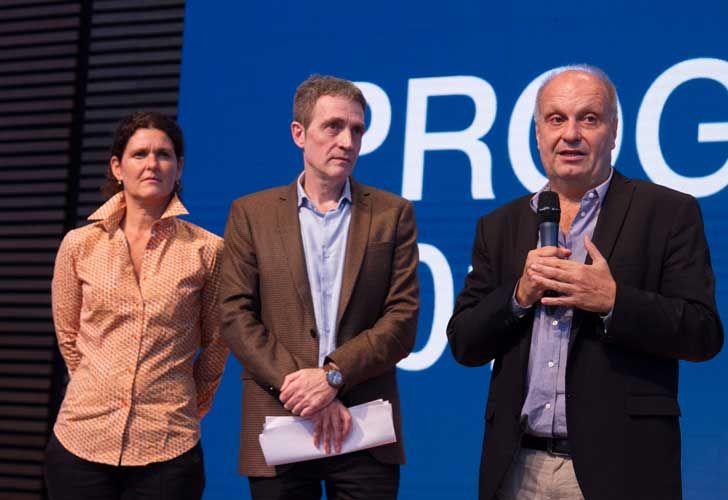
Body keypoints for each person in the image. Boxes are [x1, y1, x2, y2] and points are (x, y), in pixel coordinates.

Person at [447, 65, 723, 500]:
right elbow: (464, 342)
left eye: (588, 119)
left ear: (612, 133)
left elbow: (703, 333)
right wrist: (519, 296)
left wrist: (612, 300)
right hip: (517, 468)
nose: (570, 134)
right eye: (556, 119)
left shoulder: (668, 212)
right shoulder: (499, 226)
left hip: (624, 469)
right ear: (538, 134)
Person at [220, 74, 419, 499]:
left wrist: (332, 378)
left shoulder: (392, 213)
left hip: (364, 430)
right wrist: (304, 389)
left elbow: (402, 320)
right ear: (299, 133)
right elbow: (236, 316)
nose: (347, 141)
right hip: (281, 421)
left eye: (357, 130)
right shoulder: (250, 214)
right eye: (333, 127)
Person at [44, 111, 228, 500]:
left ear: (178, 169)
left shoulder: (207, 250)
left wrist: (184, 406)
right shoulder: (79, 245)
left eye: (164, 155)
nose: (152, 164)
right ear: (117, 166)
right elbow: (69, 334)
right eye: (139, 153)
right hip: (82, 439)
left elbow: (216, 342)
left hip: (168, 446)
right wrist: (98, 387)